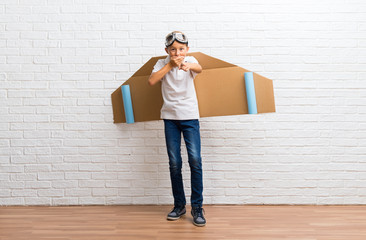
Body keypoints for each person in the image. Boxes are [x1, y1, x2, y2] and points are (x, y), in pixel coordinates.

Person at [148, 31, 206, 227]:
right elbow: (152, 81)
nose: (177, 53)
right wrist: (170, 65)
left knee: (195, 160)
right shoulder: (161, 64)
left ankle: (197, 207)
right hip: (170, 119)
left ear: (187, 50)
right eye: (173, 50)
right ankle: (179, 205)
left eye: (181, 49)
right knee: (175, 163)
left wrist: (186, 64)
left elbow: (200, 69)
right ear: (167, 50)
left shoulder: (190, 61)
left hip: (190, 117)